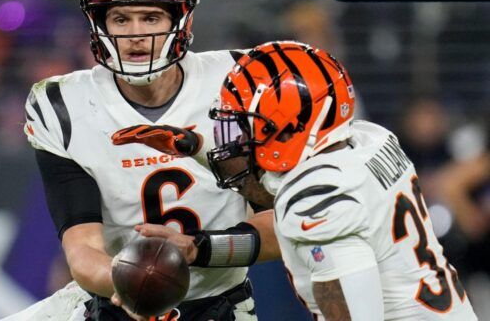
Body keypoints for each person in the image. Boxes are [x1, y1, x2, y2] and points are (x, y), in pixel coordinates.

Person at [9, 0, 281, 321]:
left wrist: (198, 249)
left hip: (219, 307)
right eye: (121, 18)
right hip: (113, 304)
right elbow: (82, 248)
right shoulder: (63, 105)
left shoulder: (239, 85)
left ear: (180, 19)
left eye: (150, 17)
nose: (136, 33)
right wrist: (130, 284)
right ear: (99, 23)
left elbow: (281, 226)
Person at [205, 40, 478, 320]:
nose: (236, 142)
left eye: (243, 127)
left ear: (286, 131)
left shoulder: (315, 198)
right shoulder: (369, 139)